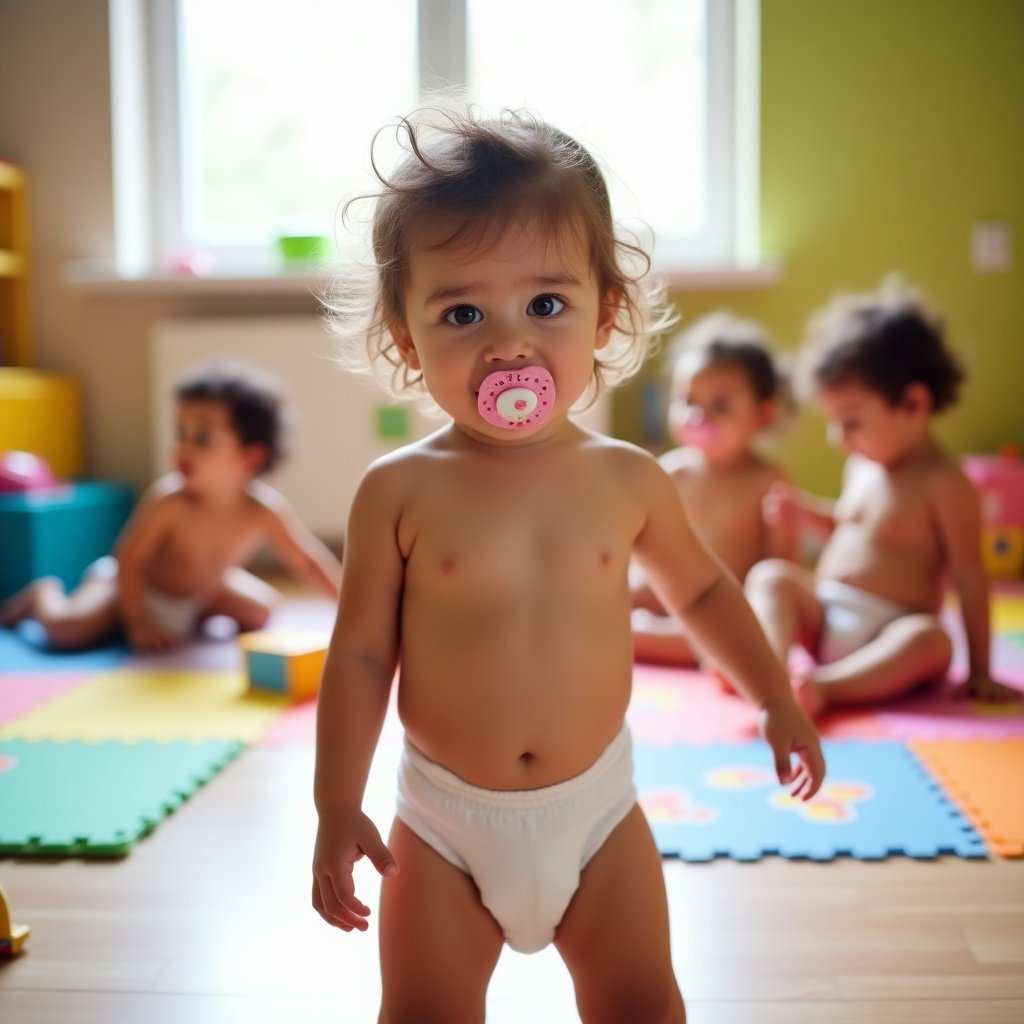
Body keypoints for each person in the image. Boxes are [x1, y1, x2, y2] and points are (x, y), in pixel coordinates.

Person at [310, 105, 824, 1024]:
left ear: (604, 313)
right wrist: (334, 802)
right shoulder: (396, 492)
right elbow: (356, 656)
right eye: (463, 312)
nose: (509, 345)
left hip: (596, 822)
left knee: (642, 1005)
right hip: (441, 830)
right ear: (403, 335)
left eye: (545, 305)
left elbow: (704, 590)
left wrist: (774, 695)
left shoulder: (628, 480)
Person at [745, 276, 1021, 717]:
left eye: (850, 422)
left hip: (889, 633)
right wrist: (806, 515)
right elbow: (851, 528)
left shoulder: (945, 483)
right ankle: (770, 675)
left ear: (913, 405)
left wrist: (982, 670)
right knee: (770, 577)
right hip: (827, 610)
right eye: (833, 422)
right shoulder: (863, 464)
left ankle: (826, 688)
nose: (838, 438)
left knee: (931, 641)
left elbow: (970, 575)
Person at [0, 359, 342, 651]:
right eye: (181, 433)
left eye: (202, 437)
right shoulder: (169, 501)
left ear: (250, 457)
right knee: (67, 630)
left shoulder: (263, 509)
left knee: (263, 611)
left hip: (201, 591)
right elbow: (128, 562)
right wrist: (140, 622)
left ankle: (191, 614)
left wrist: (346, 608)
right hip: (129, 588)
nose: (183, 448)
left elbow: (308, 562)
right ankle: (42, 595)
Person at [631, 311, 797, 666]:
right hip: (663, 590)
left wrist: (785, 532)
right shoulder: (672, 471)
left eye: (720, 405)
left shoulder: (766, 481)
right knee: (606, 593)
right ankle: (624, 629)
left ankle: (637, 637)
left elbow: (781, 567)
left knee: (721, 636)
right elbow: (641, 546)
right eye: (688, 401)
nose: (697, 416)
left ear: (763, 415)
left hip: (722, 607)